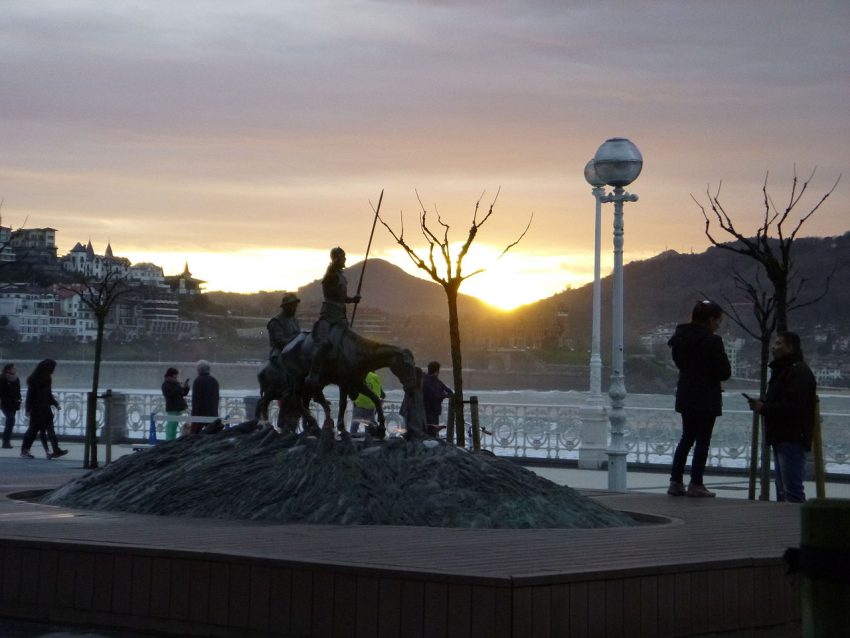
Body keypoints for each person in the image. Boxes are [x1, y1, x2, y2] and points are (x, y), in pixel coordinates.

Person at [667, 300, 731, 497]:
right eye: (718, 321)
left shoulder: (679, 338)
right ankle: (696, 483)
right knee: (703, 440)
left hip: (686, 392)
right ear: (710, 320)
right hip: (706, 396)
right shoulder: (712, 341)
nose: (718, 325)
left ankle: (675, 481)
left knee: (687, 437)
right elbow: (724, 372)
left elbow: (681, 364)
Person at [746, 331, 816, 503]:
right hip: (782, 436)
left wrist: (764, 408)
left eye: (778, 344)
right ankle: (788, 524)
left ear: (790, 347)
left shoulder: (797, 372)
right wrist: (764, 405)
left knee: (791, 489)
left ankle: (795, 525)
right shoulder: (785, 370)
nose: (773, 347)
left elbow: (793, 406)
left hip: (791, 436)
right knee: (784, 488)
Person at [307, 247, 361, 392]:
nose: (345, 260)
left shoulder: (340, 275)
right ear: (336, 259)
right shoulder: (330, 275)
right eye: (343, 257)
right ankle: (313, 374)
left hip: (341, 315)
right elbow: (333, 295)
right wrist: (349, 300)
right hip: (330, 315)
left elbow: (342, 297)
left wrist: (352, 300)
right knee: (324, 343)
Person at [20, 359, 68, 460]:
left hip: (45, 409)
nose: (54, 370)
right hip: (37, 409)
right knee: (33, 431)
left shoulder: (46, 378)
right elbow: (30, 396)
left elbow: (48, 394)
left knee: (50, 430)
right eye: (53, 368)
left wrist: (54, 403)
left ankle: (55, 450)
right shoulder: (35, 380)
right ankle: (25, 450)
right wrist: (29, 409)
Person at [267, 292, 302, 364]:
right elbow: (279, 341)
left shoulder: (294, 320)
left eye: (295, 305)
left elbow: (298, 335)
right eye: (291, 305)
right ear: (284, 306)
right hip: (279, 355)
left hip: (293, 353)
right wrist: (296, 343)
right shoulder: (276, 322)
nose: (294, 308)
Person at [422, 361, 453, 436]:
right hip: (433, 413)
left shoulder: (423, 380)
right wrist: (444, 395)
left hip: (422, 412)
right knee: (432, 435)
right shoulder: (436, 382)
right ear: (437, 371)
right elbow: (449, 393)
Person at [190, 360, 220, 434]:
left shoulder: (198, 381)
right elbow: (216, 397)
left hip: (200, 413)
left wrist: (194, 414)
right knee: (212, 434)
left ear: (199, 370)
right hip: (212, 412)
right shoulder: (214, 380)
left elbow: (196, 399)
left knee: (194, 435)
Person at [161, 367, 190, 441]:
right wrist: (180, 388)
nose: (177, 376)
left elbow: (182, 394)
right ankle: (168, 440)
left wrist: (186, 387)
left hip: (177, 407)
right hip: (172, 407)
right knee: (171, 425)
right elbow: (170, 394)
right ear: (171, 375)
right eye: (175, 374)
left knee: (174, 425)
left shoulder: (175, 383)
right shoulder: (166, 384)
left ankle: (172, 440)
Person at [1, 363, 22, 448]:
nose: (15, 369)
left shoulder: (16, 378)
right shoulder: (2, 378)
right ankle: (5, 441)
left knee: (10, 421)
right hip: (5, 402)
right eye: (13, 368)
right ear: (8, 369)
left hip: (14, 403)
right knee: (10, 419)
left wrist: (19, 399)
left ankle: (6, 441)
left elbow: (18, 390)